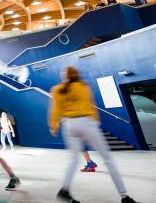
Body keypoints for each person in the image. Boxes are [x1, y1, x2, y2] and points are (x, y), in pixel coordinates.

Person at [49, 66, 138, 203]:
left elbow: (55, 111)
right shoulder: (83, 86)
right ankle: (124, 196)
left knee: (73, 160)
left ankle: (64, 190)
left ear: (64, 76)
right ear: (76, 75)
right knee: (108, 160)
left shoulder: (57, 90)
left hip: (69, 125)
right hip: (86, 122)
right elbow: (91, 107)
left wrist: (53, 126)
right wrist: (92, 127)